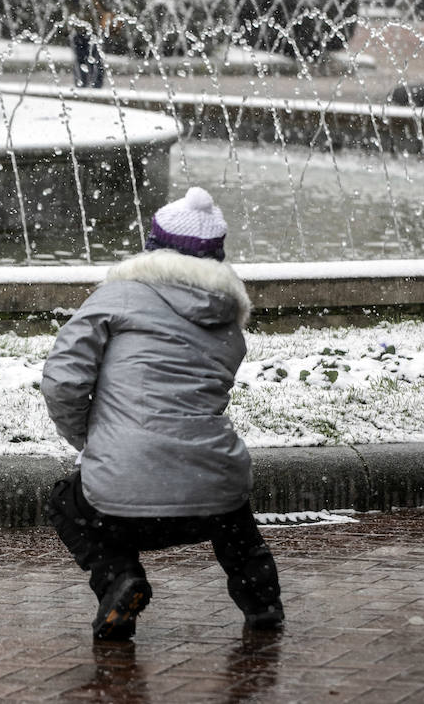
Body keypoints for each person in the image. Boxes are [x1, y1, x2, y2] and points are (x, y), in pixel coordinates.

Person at [40, 186, 283, 642]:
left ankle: (119, 580)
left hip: (120, 494)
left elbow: (63, 380)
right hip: (213, 492)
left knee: (67, 505)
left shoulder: (117, 298)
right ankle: (263, 605)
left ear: (153, 244)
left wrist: (91, 441)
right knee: (237, 523)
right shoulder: (229, 321)